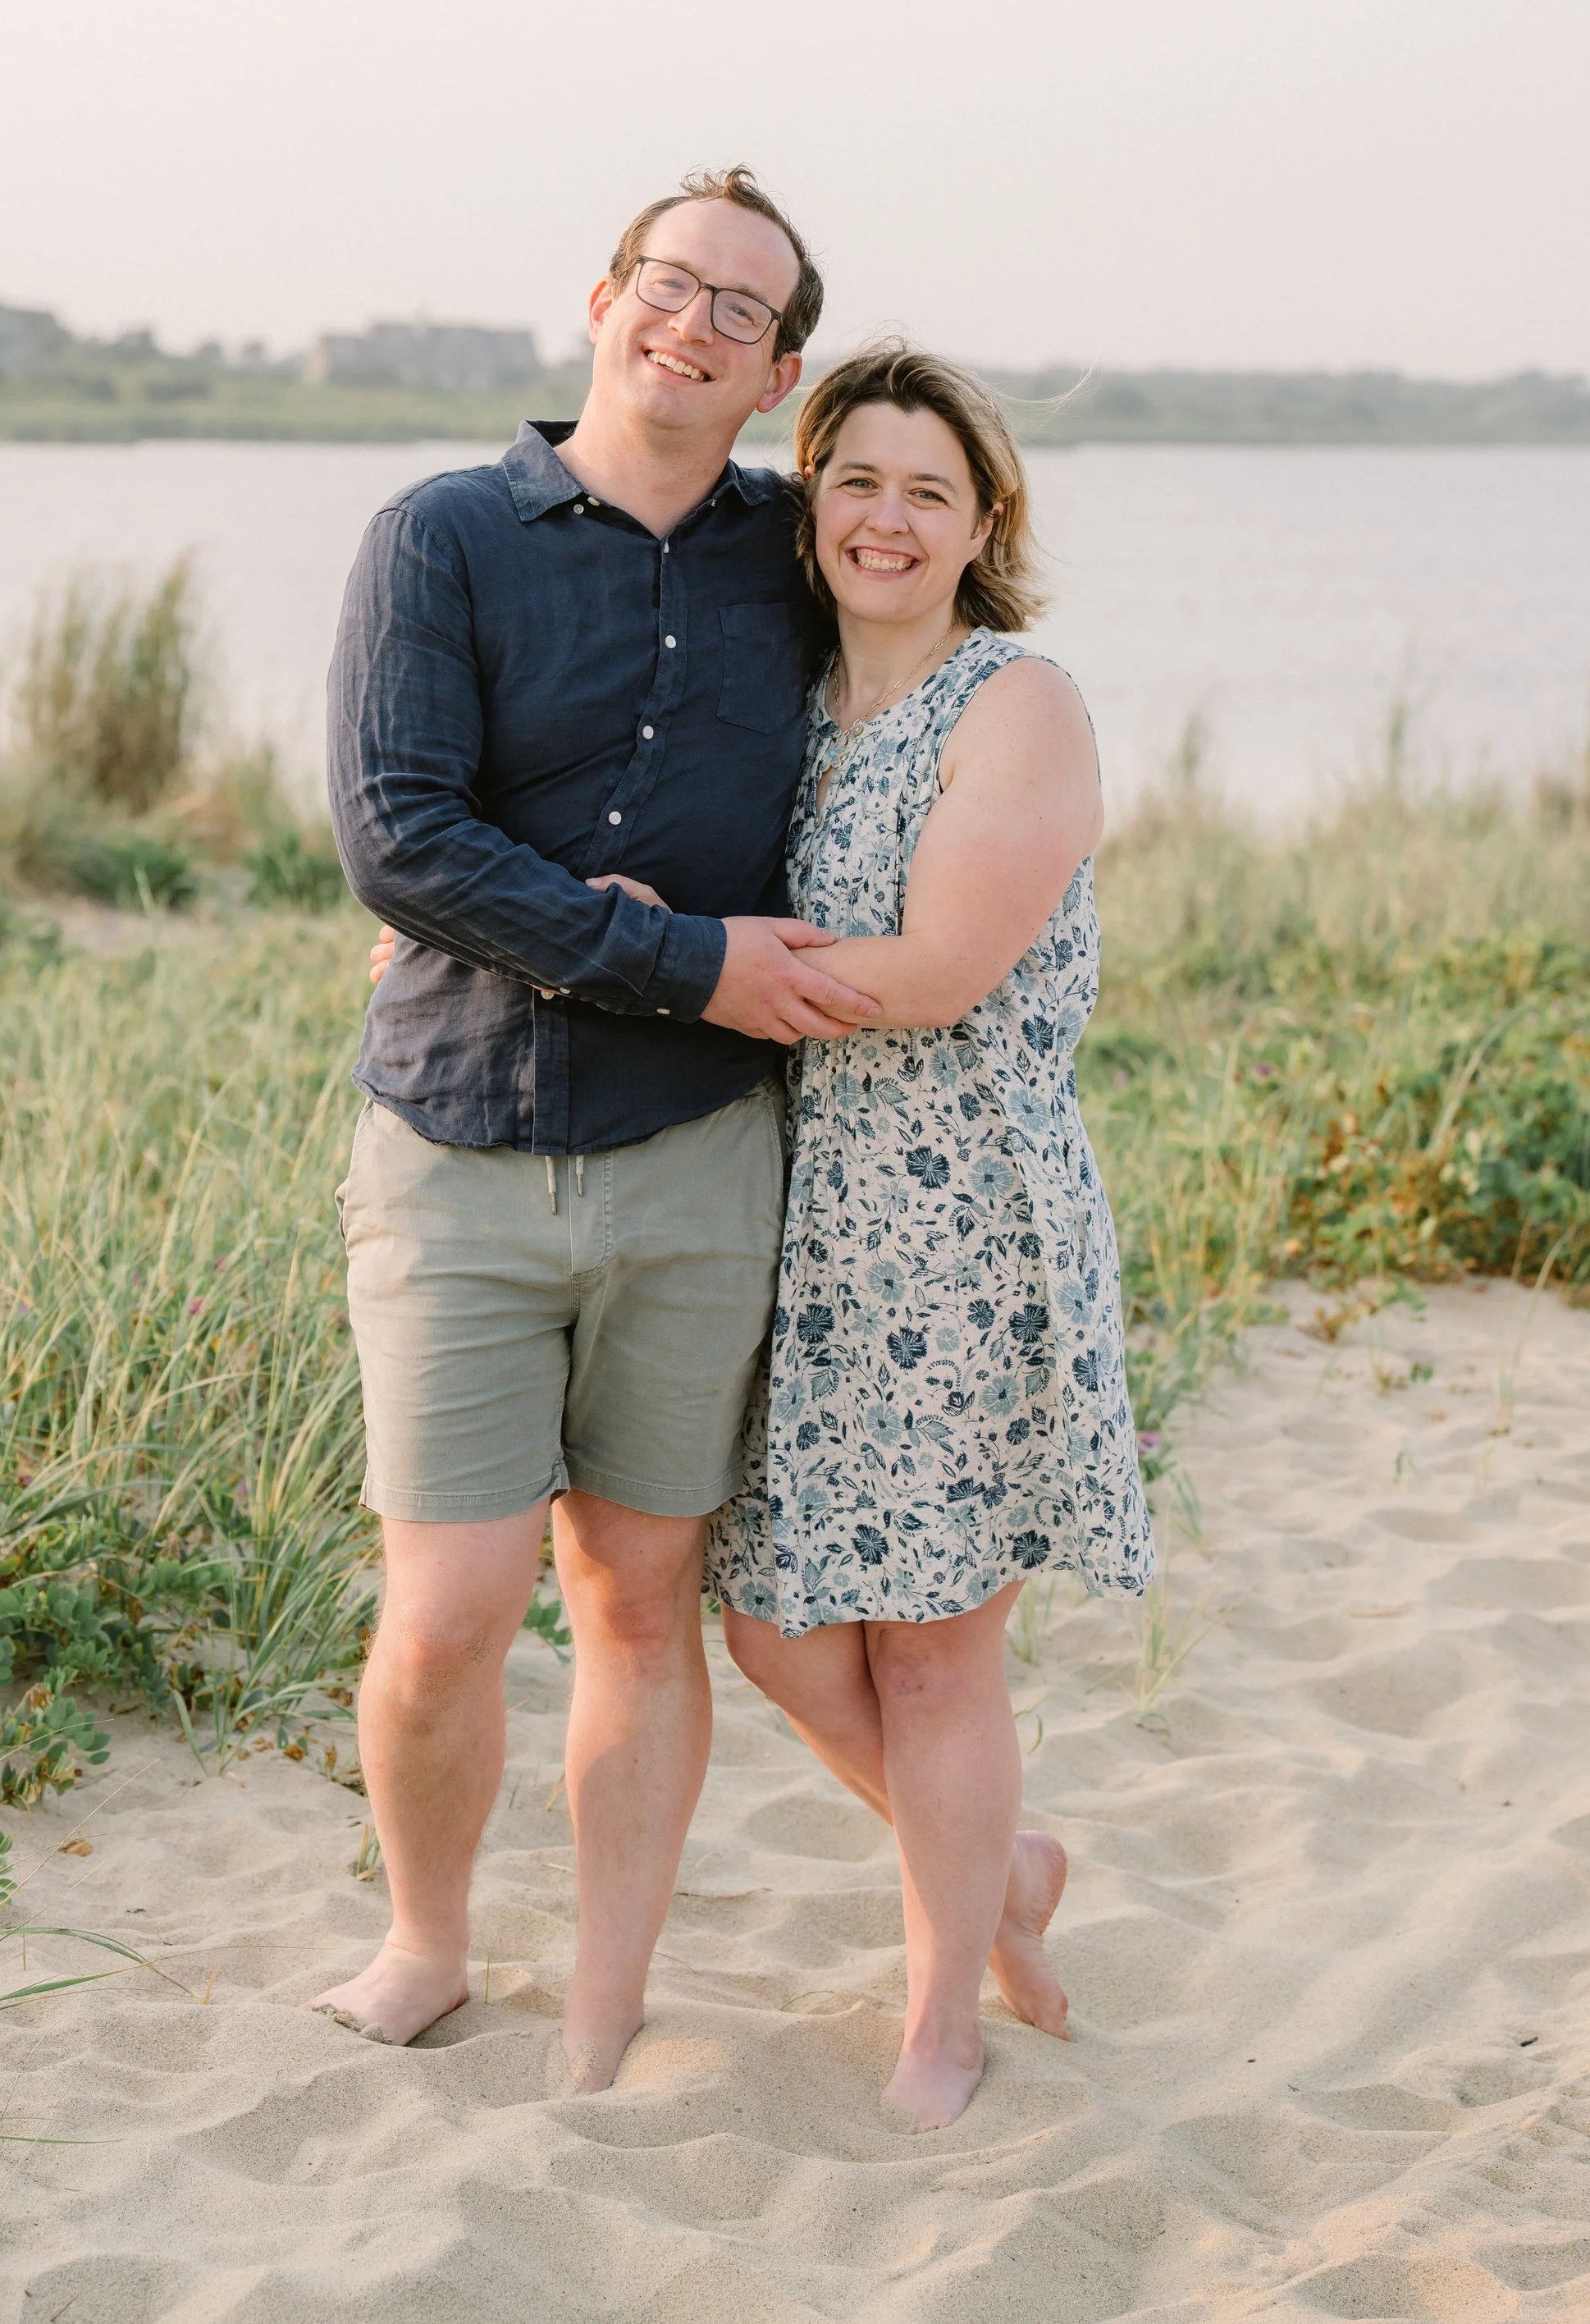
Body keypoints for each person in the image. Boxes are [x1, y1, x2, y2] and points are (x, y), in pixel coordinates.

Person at [313, 167, 881, 2090]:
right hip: (458, 1137)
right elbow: (400, 834)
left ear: (778, 366)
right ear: (601, 297)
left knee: (641, 1597)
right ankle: (424, 1936)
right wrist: (682, 959)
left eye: (742, 309)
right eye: (669, 282)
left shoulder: (801, 551)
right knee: (451, 1606)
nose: (694, 323)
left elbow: (943, 665)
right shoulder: (441, 537)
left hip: (703, 1153)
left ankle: (607, 1994)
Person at [703, 347, 1155, 2130]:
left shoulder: (1013, 703)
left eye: (924, 488)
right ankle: (1003, 1864)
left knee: (929, 1643)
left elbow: (938, 969)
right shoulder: (784, 699)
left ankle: (940, 2015)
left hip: (962, 1219)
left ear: (982, 522)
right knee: (775, 1630)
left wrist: (659, 969)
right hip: (798, 1216)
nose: (884, 517)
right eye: (854, 479)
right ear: (808, 504)